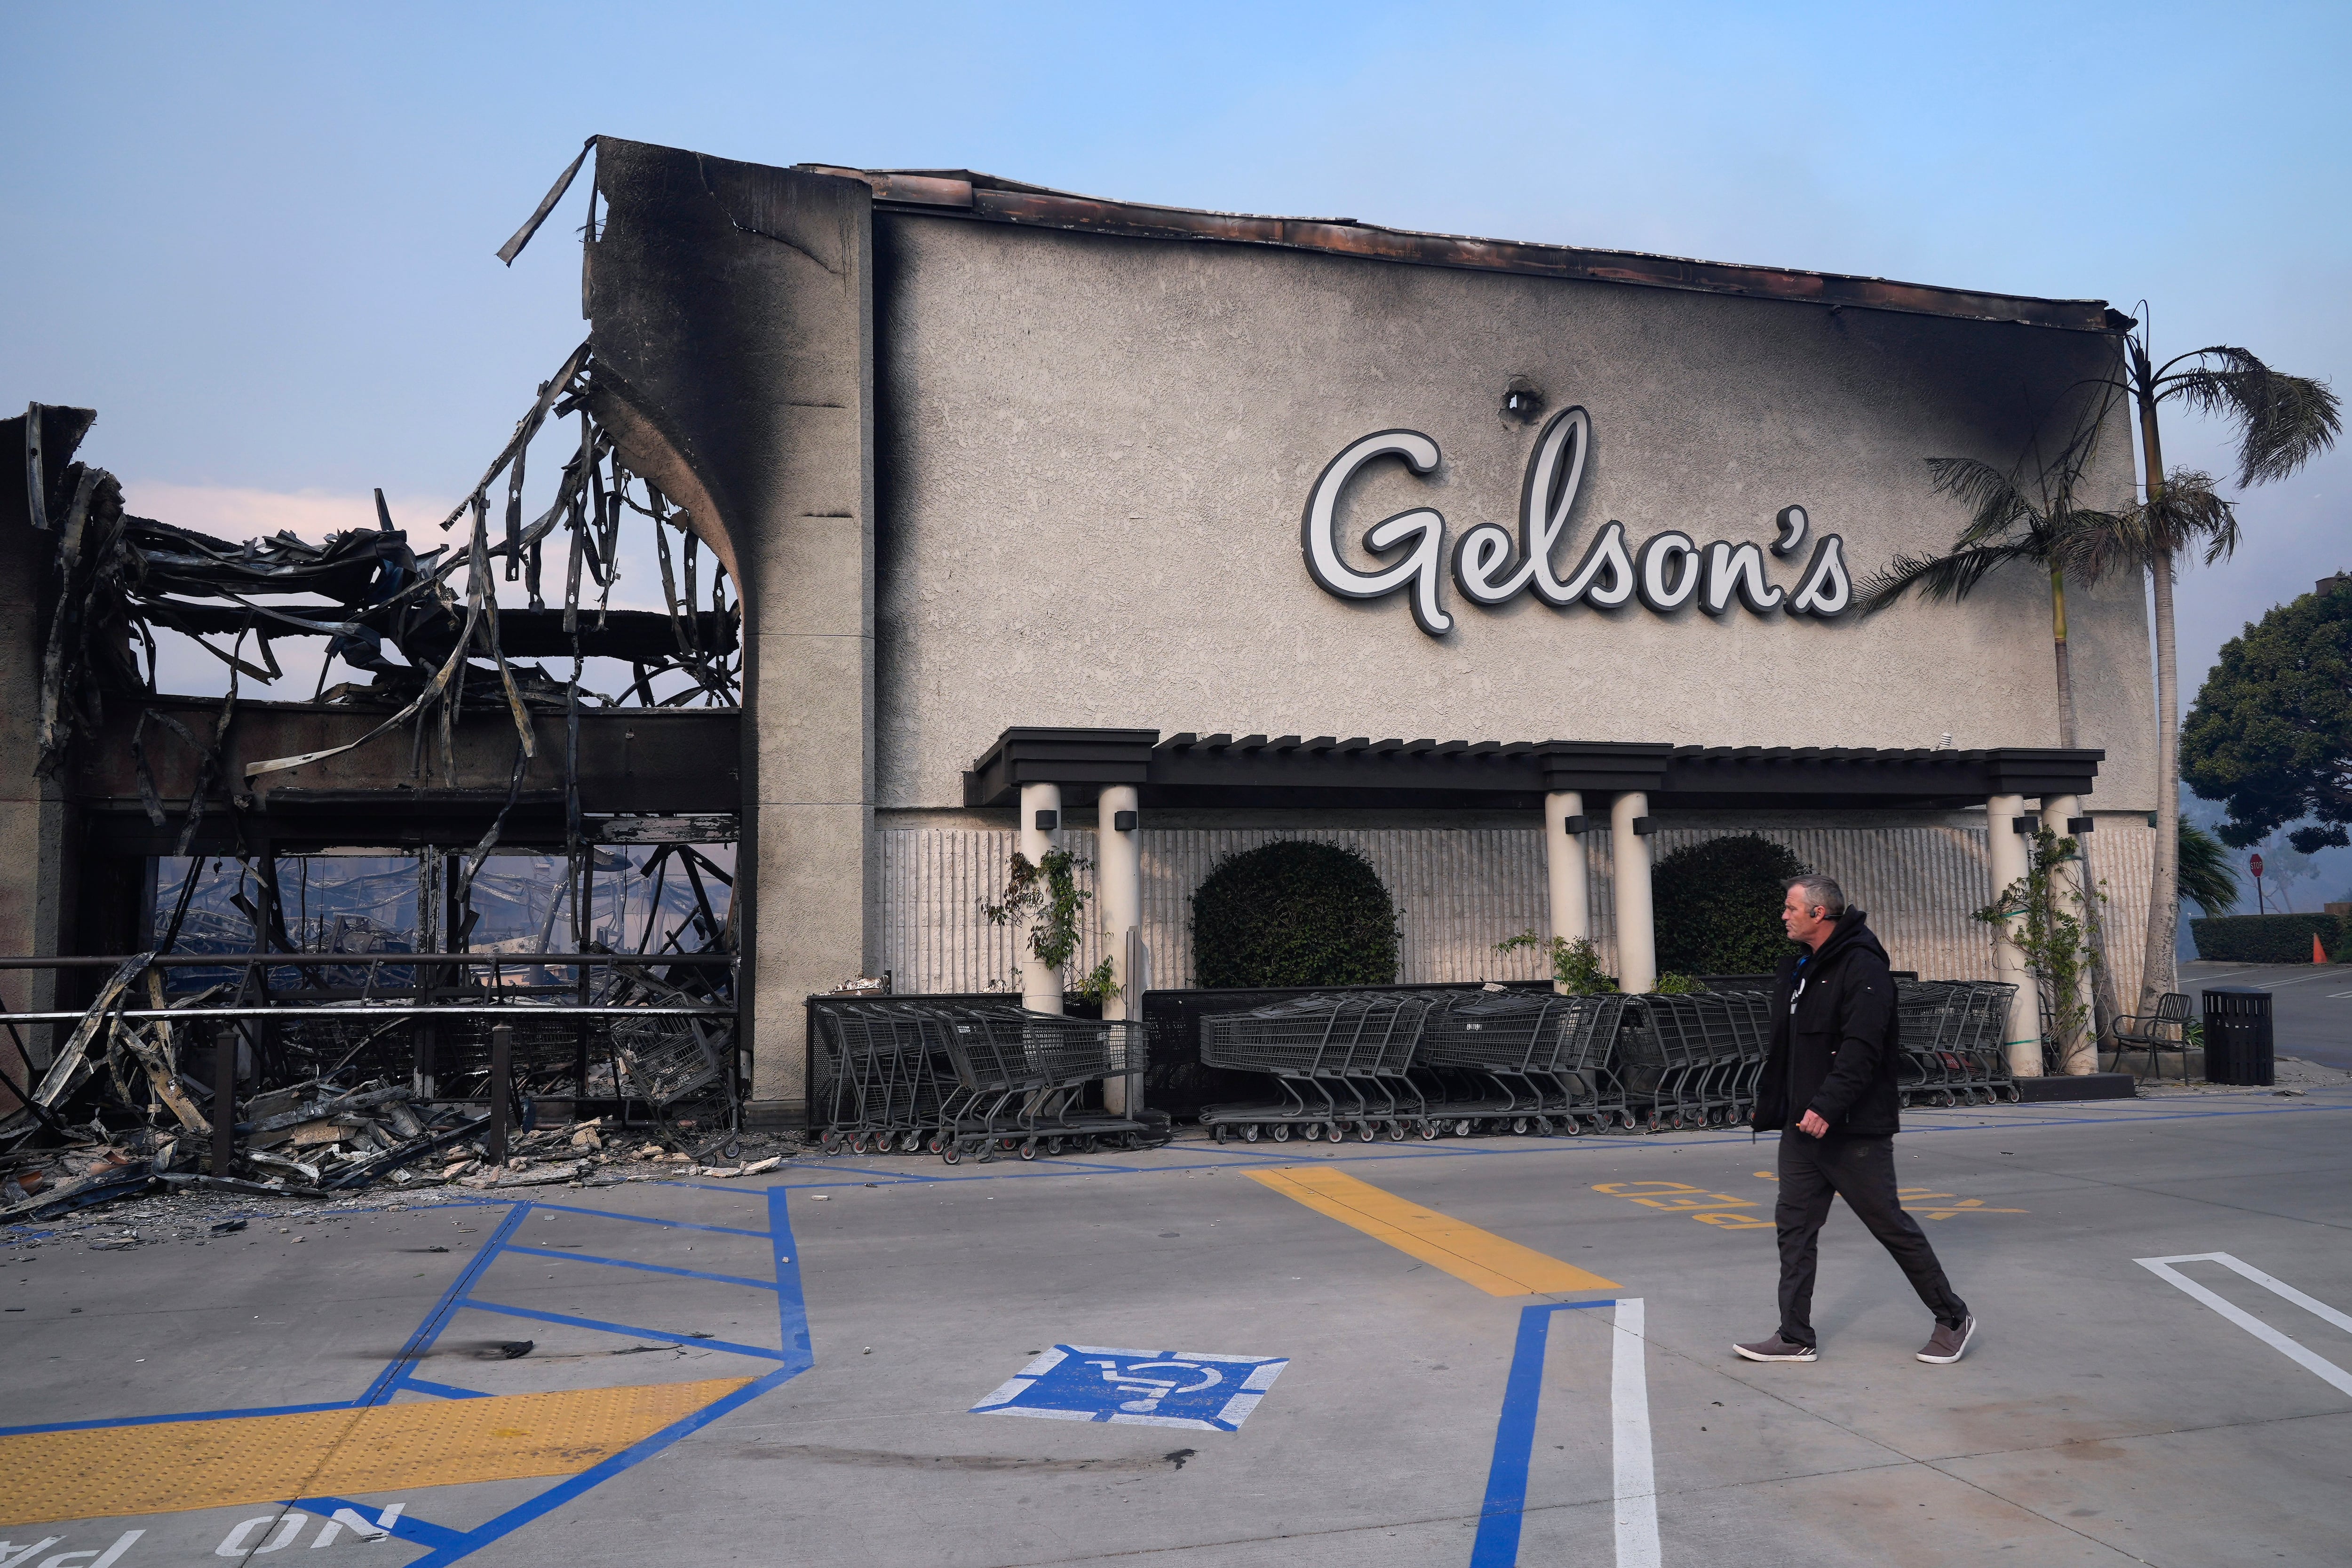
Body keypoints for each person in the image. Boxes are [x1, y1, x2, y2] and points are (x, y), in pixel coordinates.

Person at [1734, 874, 1976, 1365]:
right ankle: (1794, 1335)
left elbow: (1861, 1049)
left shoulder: (1862, 968)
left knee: (1887, 1224)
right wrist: (1779, 1107)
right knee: (1794, 1228)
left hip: (1850, 1128)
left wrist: (1826, 1106)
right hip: (1801, 1127)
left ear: (1817, 914)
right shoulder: (1805, 968)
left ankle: (1952, 1317)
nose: (1783, 915)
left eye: (1790, 908)